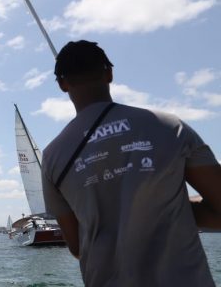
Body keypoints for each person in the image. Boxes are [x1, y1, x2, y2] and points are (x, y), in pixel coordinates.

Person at [41, 40, 221, 286]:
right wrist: (164, 206)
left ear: (62, 84)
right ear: (109, 73)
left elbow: (77, 246)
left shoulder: (53, 155)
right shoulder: (170, 127)